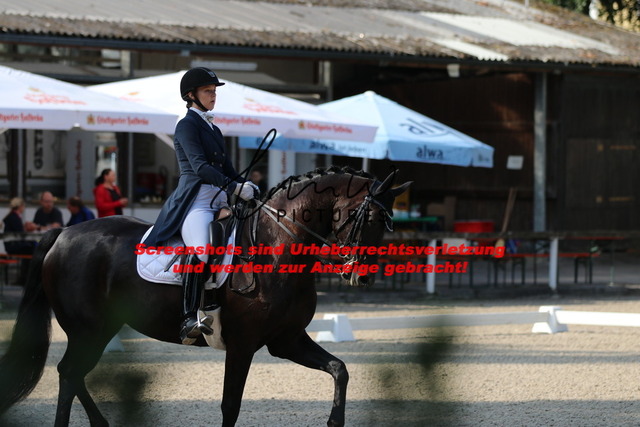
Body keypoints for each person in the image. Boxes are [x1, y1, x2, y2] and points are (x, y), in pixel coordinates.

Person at [143, 67, 258, 345]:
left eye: (214, 91)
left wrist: (247, 185)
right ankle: (188, 317)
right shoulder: (186, 125)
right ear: (191, 95)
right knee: (203, 250)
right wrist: (235, 188)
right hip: (196, 201)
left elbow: (227, 169)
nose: (213, 95)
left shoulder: (213, 128)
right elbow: (200, 167)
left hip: (220, 199)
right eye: (208, 91)